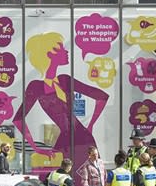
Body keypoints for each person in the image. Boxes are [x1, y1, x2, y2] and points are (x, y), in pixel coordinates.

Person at [13, 32, 109, 173]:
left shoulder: (65, 80)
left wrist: (91, 124)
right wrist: (36, 148)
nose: (66, 51)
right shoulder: (36, 87)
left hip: (83, 138)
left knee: (86, 175)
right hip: (66, 142)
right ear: (49, 54)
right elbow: (18, 118)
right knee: (64, 176)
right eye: (61, 48)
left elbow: (102, 97)